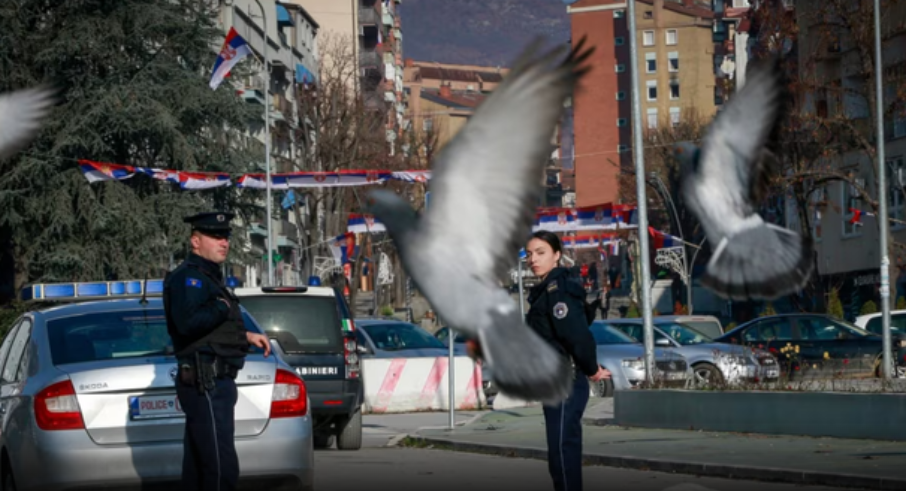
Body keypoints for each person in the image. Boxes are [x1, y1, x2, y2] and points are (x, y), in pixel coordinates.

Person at [163, 211, 272, 491]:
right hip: (206, 382)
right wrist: (221, 306)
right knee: (220, 468)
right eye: (215, 236)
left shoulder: (208, 277)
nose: (223, 242)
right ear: (195, 241)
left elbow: (210, 330)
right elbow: (188, 324)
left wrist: (245, 336)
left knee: (201, 467)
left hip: (215, 381)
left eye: (225, 237)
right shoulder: (190, 278)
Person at [525, 230, 611, 491]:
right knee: (559, 450)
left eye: (541, 253)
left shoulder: (558, 290)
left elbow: (576, 335)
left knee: (563, 449)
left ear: (557, 255)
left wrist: (592, 368)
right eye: (529, 254)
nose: (533, 259)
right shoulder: (545, 291)